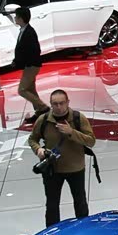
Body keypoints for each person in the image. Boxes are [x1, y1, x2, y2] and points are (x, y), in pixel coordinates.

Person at [26, 89, 95, 225]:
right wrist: (38, 149)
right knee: (52, 205)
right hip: (52, 170)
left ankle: (83, 229)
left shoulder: (78, 118)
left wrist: (71, 132)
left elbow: (91, 141)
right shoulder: (44, 120)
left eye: (62, 103)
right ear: (51, 104)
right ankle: (52, 232)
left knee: (80, 202)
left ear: (68, 102)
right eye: (55, 104)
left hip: (75, 168)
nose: (58, 107)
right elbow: (32, 139)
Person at [11, 7, 45, 116]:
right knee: (30, 89)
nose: (15, 18)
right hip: (29, 65)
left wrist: (25, 62)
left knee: (22, 90)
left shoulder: (29, 32)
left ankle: (43, 107)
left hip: (31, 65)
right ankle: (39, 112)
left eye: (16, 16)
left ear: (21, 19)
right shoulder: (24, 30)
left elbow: (34, 50)